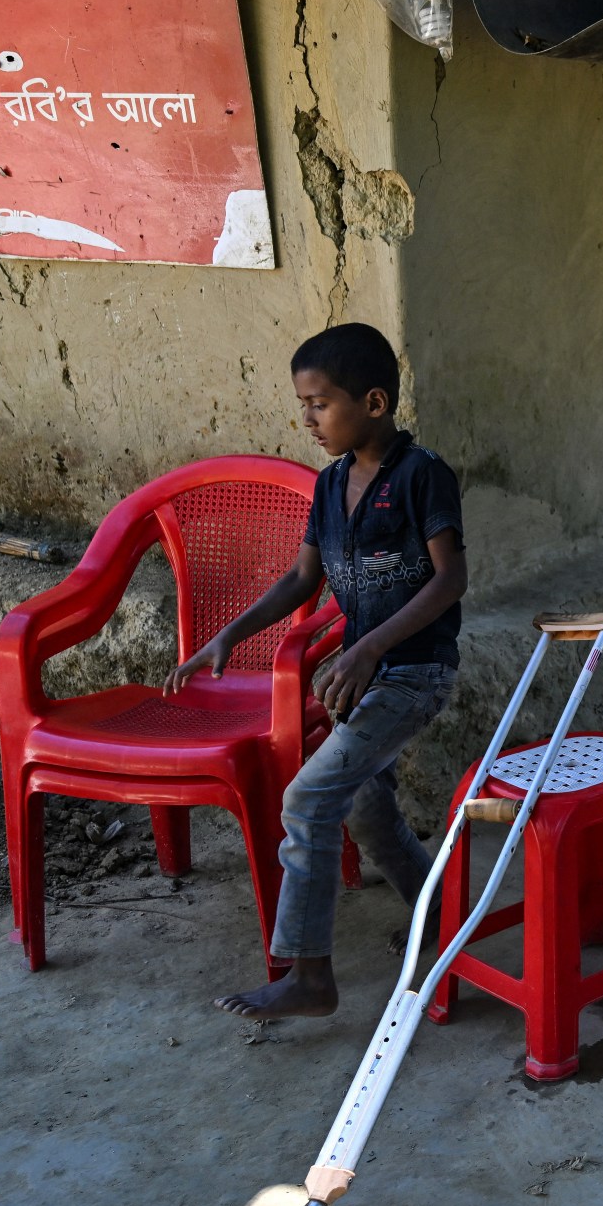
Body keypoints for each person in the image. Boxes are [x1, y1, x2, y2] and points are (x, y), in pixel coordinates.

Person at [163, 322, 467, 1020]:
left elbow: (450, 579)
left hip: (416, 672)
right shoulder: (330, 486)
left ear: (374, 402)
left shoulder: (423, 476)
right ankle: (442, 909)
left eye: (320, 404)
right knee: (362, 804)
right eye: (302, 404)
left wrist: (366, 648)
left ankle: (310, 975)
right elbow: (303, 579)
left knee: (306, 800)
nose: (307, 419)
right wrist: (229, 634)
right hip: (365, 676)